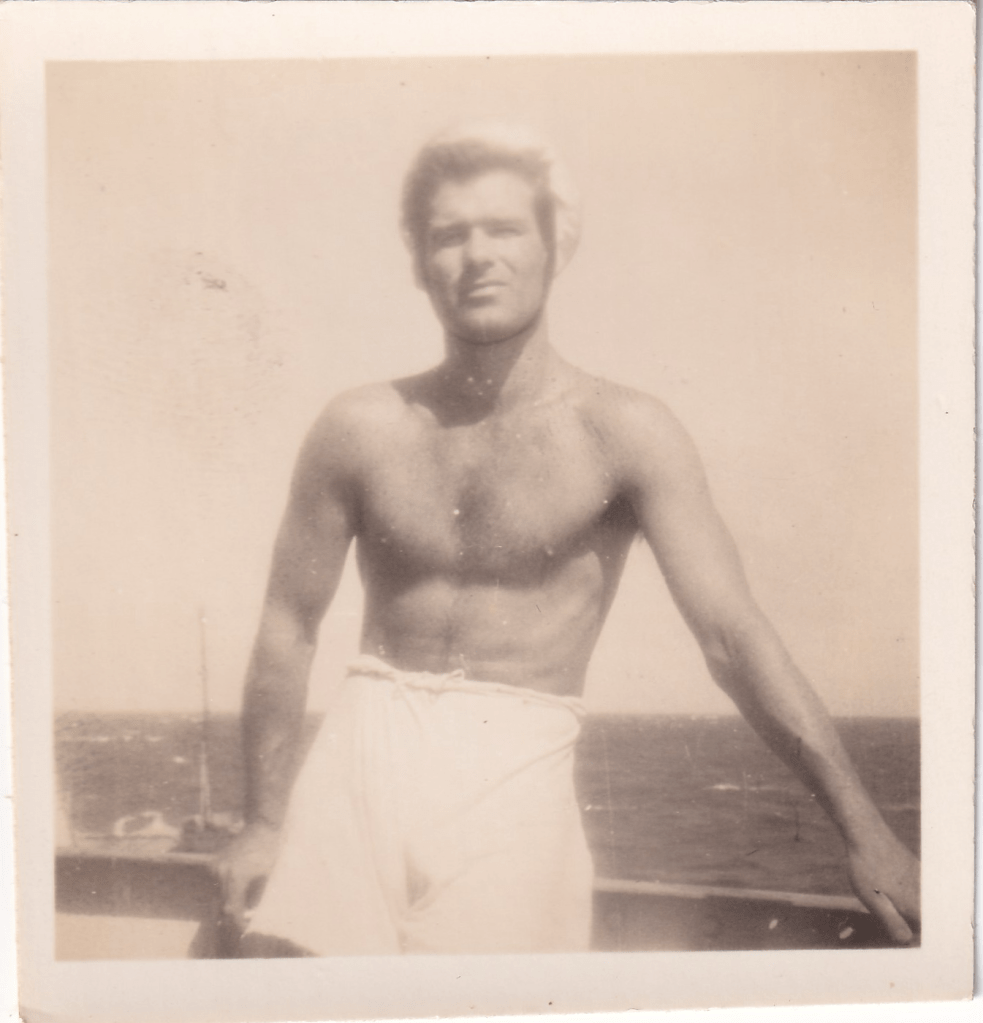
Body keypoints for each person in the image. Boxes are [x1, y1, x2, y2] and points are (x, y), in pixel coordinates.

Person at [217, 123, 920, 956]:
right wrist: (263, 822)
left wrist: (864, 827)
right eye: (449, 235)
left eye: (504, 228)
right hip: (356, 755)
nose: (476, 255)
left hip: (515, 768)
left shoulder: (623, 432)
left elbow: (731, 637)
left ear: (555, 249)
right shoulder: (359, 427)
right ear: (418, 261)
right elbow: (287, 626)